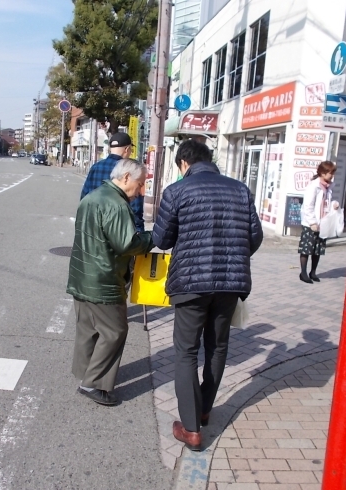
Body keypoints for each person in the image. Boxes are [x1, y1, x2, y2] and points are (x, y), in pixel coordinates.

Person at [152, 139, 263, 451]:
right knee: (217, 347)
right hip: (230, 283)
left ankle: (191, 429)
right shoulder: (240, 190)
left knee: (186, 351)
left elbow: (162, 239)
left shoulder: (177, 191)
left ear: (184, 163)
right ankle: (204, 409)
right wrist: (234, 257)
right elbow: (254, 237)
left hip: (190, 284)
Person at [67, 158, 153, 406]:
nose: (140, 191)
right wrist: (150, 239)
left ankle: (85, 372)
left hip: (81, 274)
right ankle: (92, 384)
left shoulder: (93, 196)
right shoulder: (116, 204)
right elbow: (127, 244)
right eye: (139, 184)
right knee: (115, 331)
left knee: (88, 328)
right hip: (102, 279)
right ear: (126, 177)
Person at [81, 132, 145, 232]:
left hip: (94, 228)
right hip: (119, 230)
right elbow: (135, 208)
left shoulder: (96, 167)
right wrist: (139, 232)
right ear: (127, 149)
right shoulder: (130, 170)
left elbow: (84, 197)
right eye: (130, 149)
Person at [299, 161, 337, 284]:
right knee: (306, 249)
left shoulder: (328, 187)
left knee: (318, 249)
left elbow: (325, 204)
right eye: (330, 173)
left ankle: (313, 272)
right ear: (322, 172)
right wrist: (312, 222)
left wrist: (333, 205)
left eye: (332, 173)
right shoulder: (313, 186)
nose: (332, 175)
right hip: (311, 223)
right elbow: (308, 206)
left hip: (323, 223)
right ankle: (303, 273)